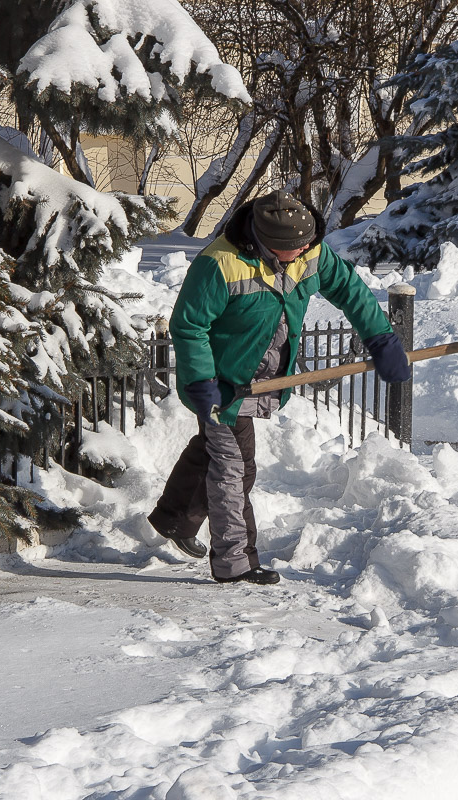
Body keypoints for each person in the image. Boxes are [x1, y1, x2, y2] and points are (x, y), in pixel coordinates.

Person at [148, 190, 411, 585]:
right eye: (293, 248)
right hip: (222, 386)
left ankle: (174, 519)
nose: (303, 252)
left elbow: (351, 292)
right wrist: (203, 382)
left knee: (217, 455)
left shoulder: (311, 254)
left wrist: (382, 340)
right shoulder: (220, 264)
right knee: (234, 469)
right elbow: (189, 326)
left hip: (259, 381)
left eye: (306, 244)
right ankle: (235, 563)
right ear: (264, 241)